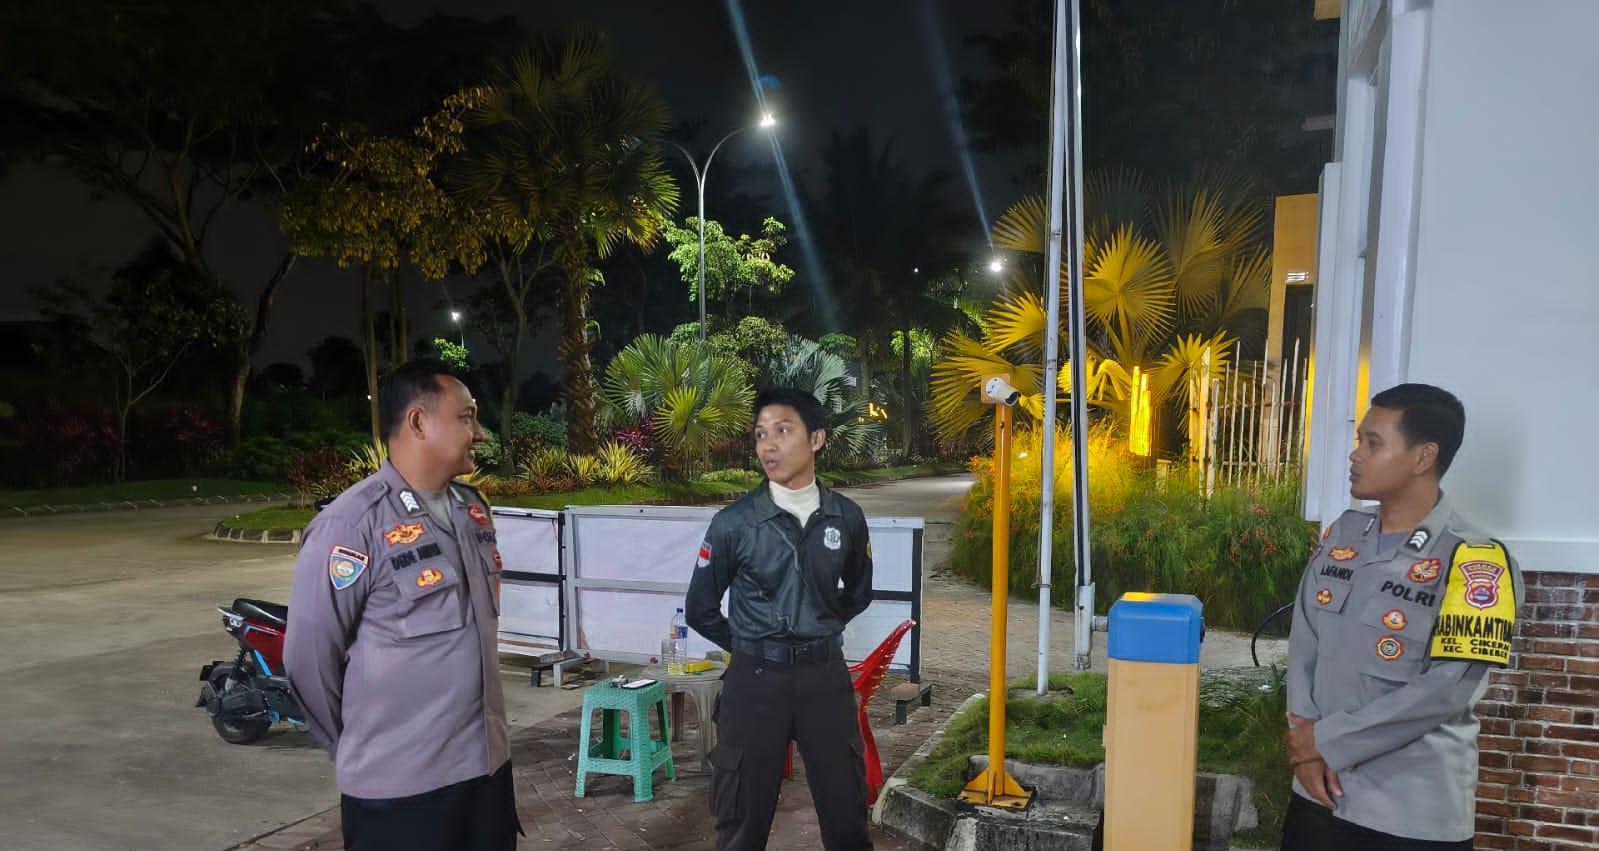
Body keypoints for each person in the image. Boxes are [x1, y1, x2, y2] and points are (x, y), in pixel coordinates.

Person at [285, 360, 520, 851]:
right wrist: (361, 747)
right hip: (399, 790)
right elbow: (309, 660)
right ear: (418, 422)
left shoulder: (472, 510)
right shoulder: (352, 524)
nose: (479, 433)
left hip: (486, 777)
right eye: (467, 417)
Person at [1281, 384, 1521, 850]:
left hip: (1409, 812)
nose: (1355, 455)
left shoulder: (1476, 560)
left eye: (1373, 444)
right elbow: (1304, 641)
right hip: (1316, 792)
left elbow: (1446, 688)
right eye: (1360, 441)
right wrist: (1303, 745)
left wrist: (1324, 742)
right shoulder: (1343, 534)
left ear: (1423, 457)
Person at [685, 387, 876, 851]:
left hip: (824, 680)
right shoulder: (734, 523)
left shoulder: (845, 517)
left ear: (816, 439)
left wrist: (820, 624)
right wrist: (752, 643)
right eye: (760, 435)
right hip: (755, 684)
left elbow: (859, 591)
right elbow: (700, 608)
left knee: (847, 819)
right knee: (741, 825)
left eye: (782, 431)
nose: (768, 445)